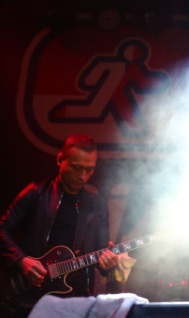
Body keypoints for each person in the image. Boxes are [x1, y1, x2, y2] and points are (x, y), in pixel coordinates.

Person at [0, 133, 118, 317]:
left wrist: (108, 263)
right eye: (76, 168)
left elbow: (102, 253)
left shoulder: (97, 205)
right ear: (60, 159)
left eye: (89, 170)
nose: (83, 176)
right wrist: (21, 260)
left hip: (78, 301)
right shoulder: (36, 193)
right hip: (33, 299)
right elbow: (2, 230)